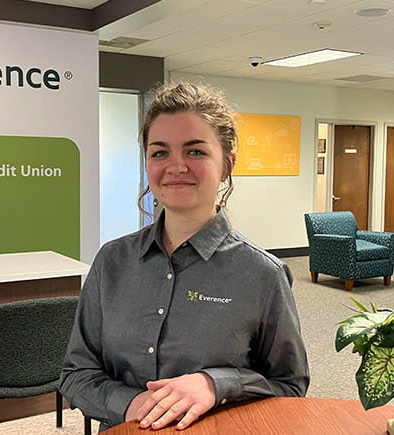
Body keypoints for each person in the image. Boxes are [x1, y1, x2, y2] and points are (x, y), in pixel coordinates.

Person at [60, 82, 309, 432]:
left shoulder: (262, 274)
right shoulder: (112, 262)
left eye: (195, 152)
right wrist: (133, 403)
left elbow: (289, 387)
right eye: (160, 153)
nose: (176, 166)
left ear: (226, 165)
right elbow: (76, 373)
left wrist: (216, 384)